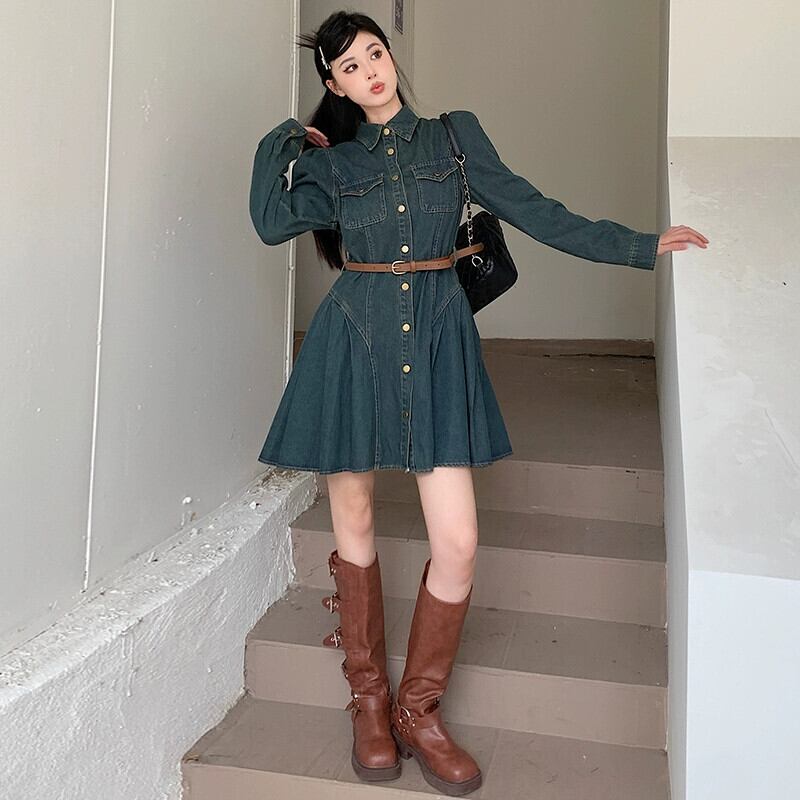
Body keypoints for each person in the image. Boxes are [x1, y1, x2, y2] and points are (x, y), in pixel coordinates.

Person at [249, 10, 708, 797]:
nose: (370, 71)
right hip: (352, 345)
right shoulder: (334, 166)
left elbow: (533, 207)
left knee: (458, 542)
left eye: (375, 53)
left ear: (390, 56)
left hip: (435, 341)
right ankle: (370, 701)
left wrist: (639, 245)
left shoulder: (453, 138)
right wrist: (289, 139)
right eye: (350, 67)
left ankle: (417, 711)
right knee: (353, 522)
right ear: (335, 86)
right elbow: (269, 222)